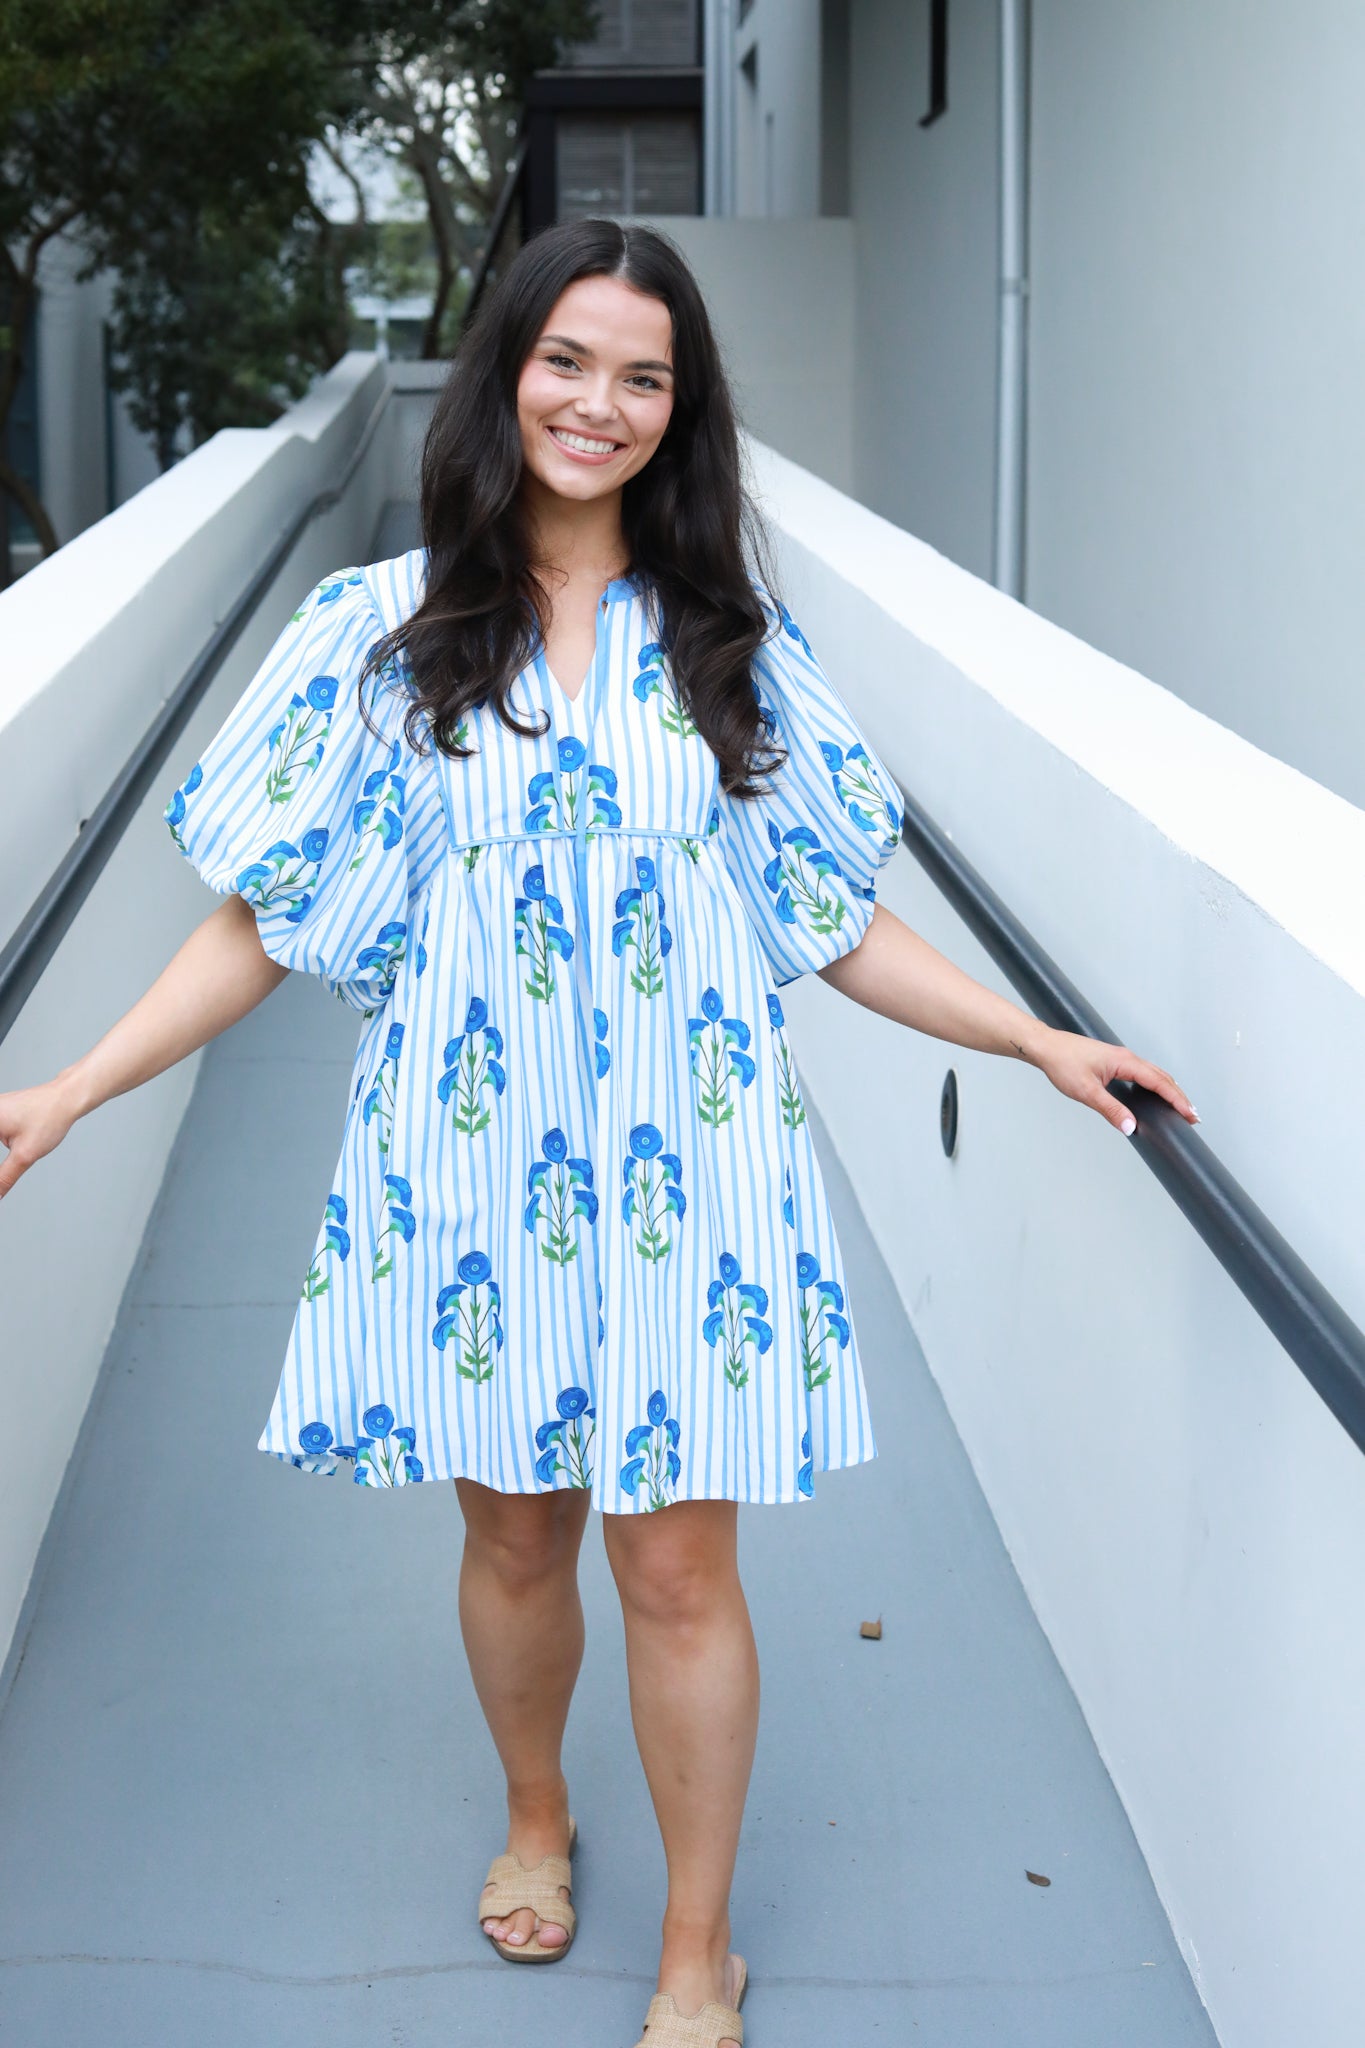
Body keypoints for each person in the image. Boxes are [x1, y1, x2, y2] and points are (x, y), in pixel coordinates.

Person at [0, 217, 1196, 2047]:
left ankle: (695, 1948)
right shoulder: (380, 636)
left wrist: (1033, 1036)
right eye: (569, 360)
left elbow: (827, 915)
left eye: (645, 377)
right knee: (512, 1539)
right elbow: (264, 914)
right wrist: (70, 1090)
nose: (601, 404)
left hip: (692, 1165)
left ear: (680, 412)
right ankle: (538, 1816)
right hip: (468, 1164)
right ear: (504, 371)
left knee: (677, 1560)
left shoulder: (731, 643)